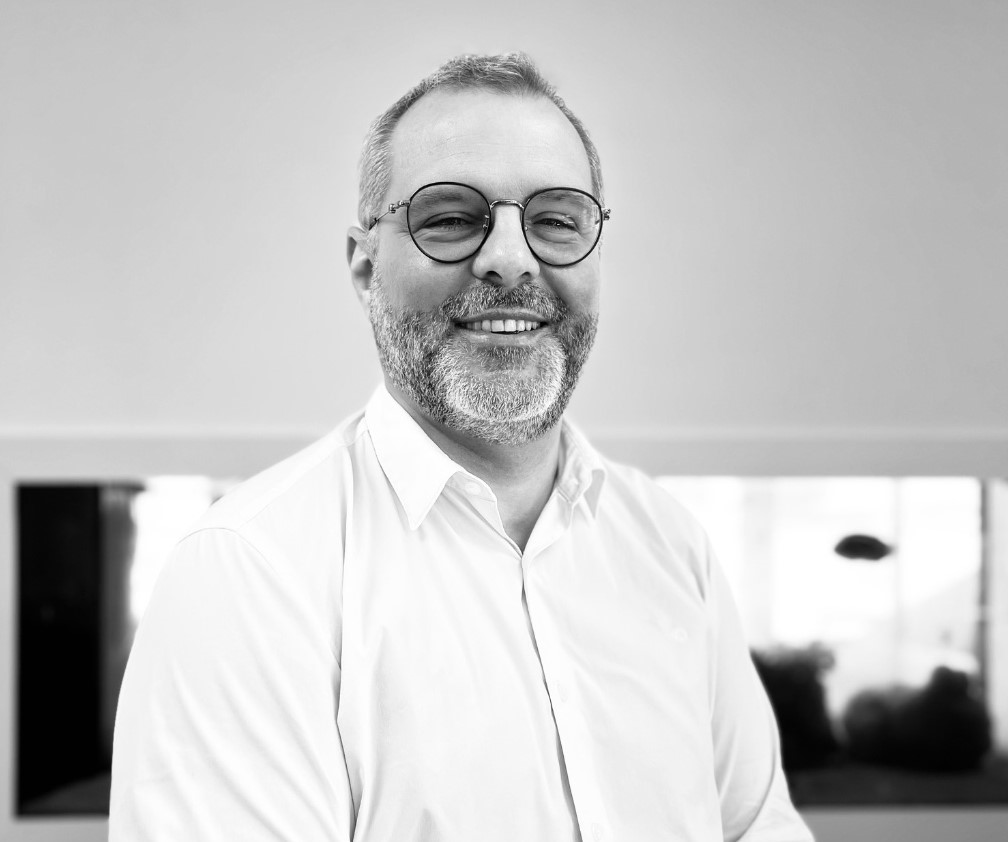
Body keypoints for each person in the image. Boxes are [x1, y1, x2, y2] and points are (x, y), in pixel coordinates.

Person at [110, 53, 814, 841]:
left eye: (557, 220)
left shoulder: (671, 545)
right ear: (365, 266)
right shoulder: (249, 572)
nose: (510, 259)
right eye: (449, 217)